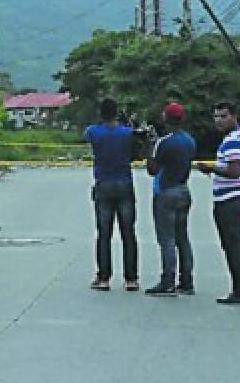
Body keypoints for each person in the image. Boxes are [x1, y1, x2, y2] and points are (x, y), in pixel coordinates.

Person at [195, 101, 240, 305]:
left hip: (230, 201)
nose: (219, 120)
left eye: (223, 116)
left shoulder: (232, 141)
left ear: (234, 116)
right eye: (216, 117)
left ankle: (239, 291)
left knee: (232, 246)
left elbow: (233, 171)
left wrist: (211, 168)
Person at [84, 98, 139, 291]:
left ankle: (104, 277)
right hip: (124, 183)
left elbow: (88, 135)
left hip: (103, 184)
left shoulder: (93, 132)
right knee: (128, 233)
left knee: (104, 233)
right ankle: (131, 278)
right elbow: (135, 142)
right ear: (117, 113)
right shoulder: (127, 133)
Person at [144, 102, 196, 296]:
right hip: (184, 189)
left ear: (166, 118)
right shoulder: (189, 141)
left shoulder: (163, 142)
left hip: (166, 191)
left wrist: (150, 147)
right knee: (183, 237)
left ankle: (168, 281)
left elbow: (153, 169)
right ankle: (187, 280)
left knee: (167, 239)